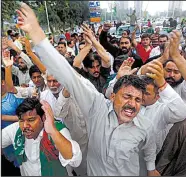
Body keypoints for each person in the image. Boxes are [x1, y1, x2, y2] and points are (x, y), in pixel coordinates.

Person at [16, 3, 159, 175]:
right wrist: (37, 35)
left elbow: (149, 149)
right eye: (127, 96)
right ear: (112, 96)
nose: (132, 104)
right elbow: (68, 74)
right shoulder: (97, 107)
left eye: (137, 100)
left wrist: (151, 169)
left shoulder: (146, 126)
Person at [2, 98, 82, 176]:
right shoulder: (16, 130)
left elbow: (75, 161)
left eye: (31, 120)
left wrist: (52, 131)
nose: (25, 126)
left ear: (43, 118)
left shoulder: (58, 130)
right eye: (21, 120)